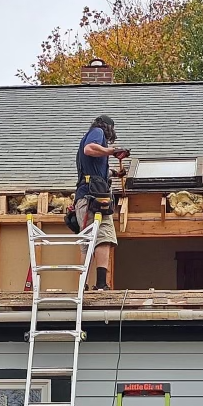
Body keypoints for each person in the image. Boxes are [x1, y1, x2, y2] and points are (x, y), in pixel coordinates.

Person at [76, 115, 127, 290]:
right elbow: (89, 149)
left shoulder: (89, 136)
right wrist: (112, 151)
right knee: (103, 237)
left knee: (87, 242)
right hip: (94, 198)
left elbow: (95, 170)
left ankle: (83, 285)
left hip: (85, 196)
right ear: (108, 127)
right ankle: (101, 284)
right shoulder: (97, 132)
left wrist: (114, 173)